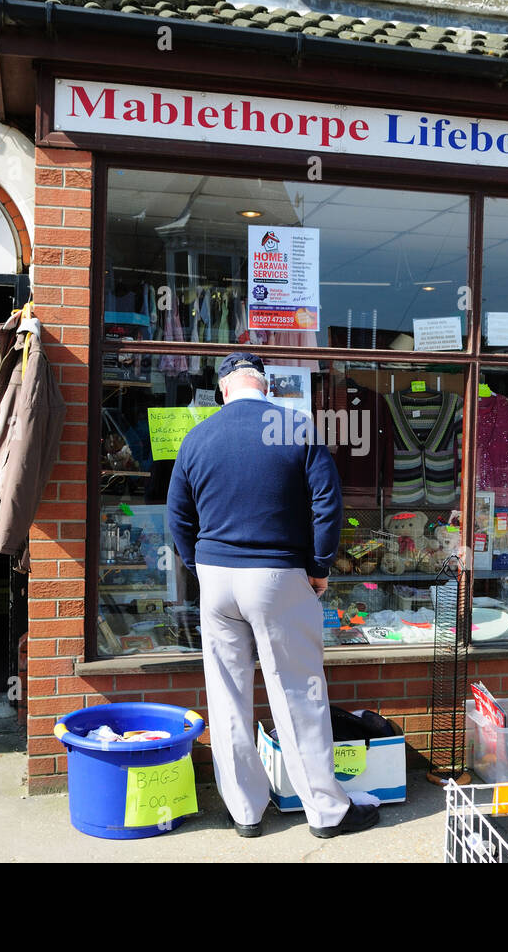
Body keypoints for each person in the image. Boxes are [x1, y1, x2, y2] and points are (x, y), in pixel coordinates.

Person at [166, 352, 379, 839]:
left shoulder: (197, 436)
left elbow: (177, 516)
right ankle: (325, 813)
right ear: (267, 388)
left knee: (226, 697)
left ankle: (245, 812)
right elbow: (328, 501)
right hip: (279, 575)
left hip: (217, 577)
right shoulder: (295, 427)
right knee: (298, 693)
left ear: (224, 390)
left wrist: (198, 564)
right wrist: (320, 564)